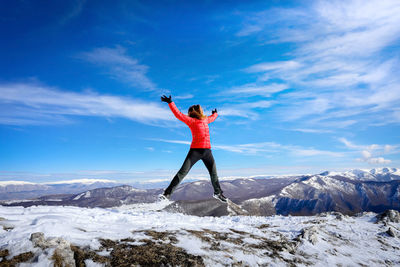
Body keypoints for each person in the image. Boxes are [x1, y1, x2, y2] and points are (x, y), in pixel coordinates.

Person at [159, 95, 227, 203]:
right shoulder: (191, 121)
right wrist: (170, 103)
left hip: (207, 151)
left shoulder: (205, 120)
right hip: (195, 151)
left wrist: (215, 114)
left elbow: (212, 118)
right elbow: (178, 114)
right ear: (195, 111)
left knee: (213, 173)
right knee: (182, 172)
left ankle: (218, 193)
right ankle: (167, 194)